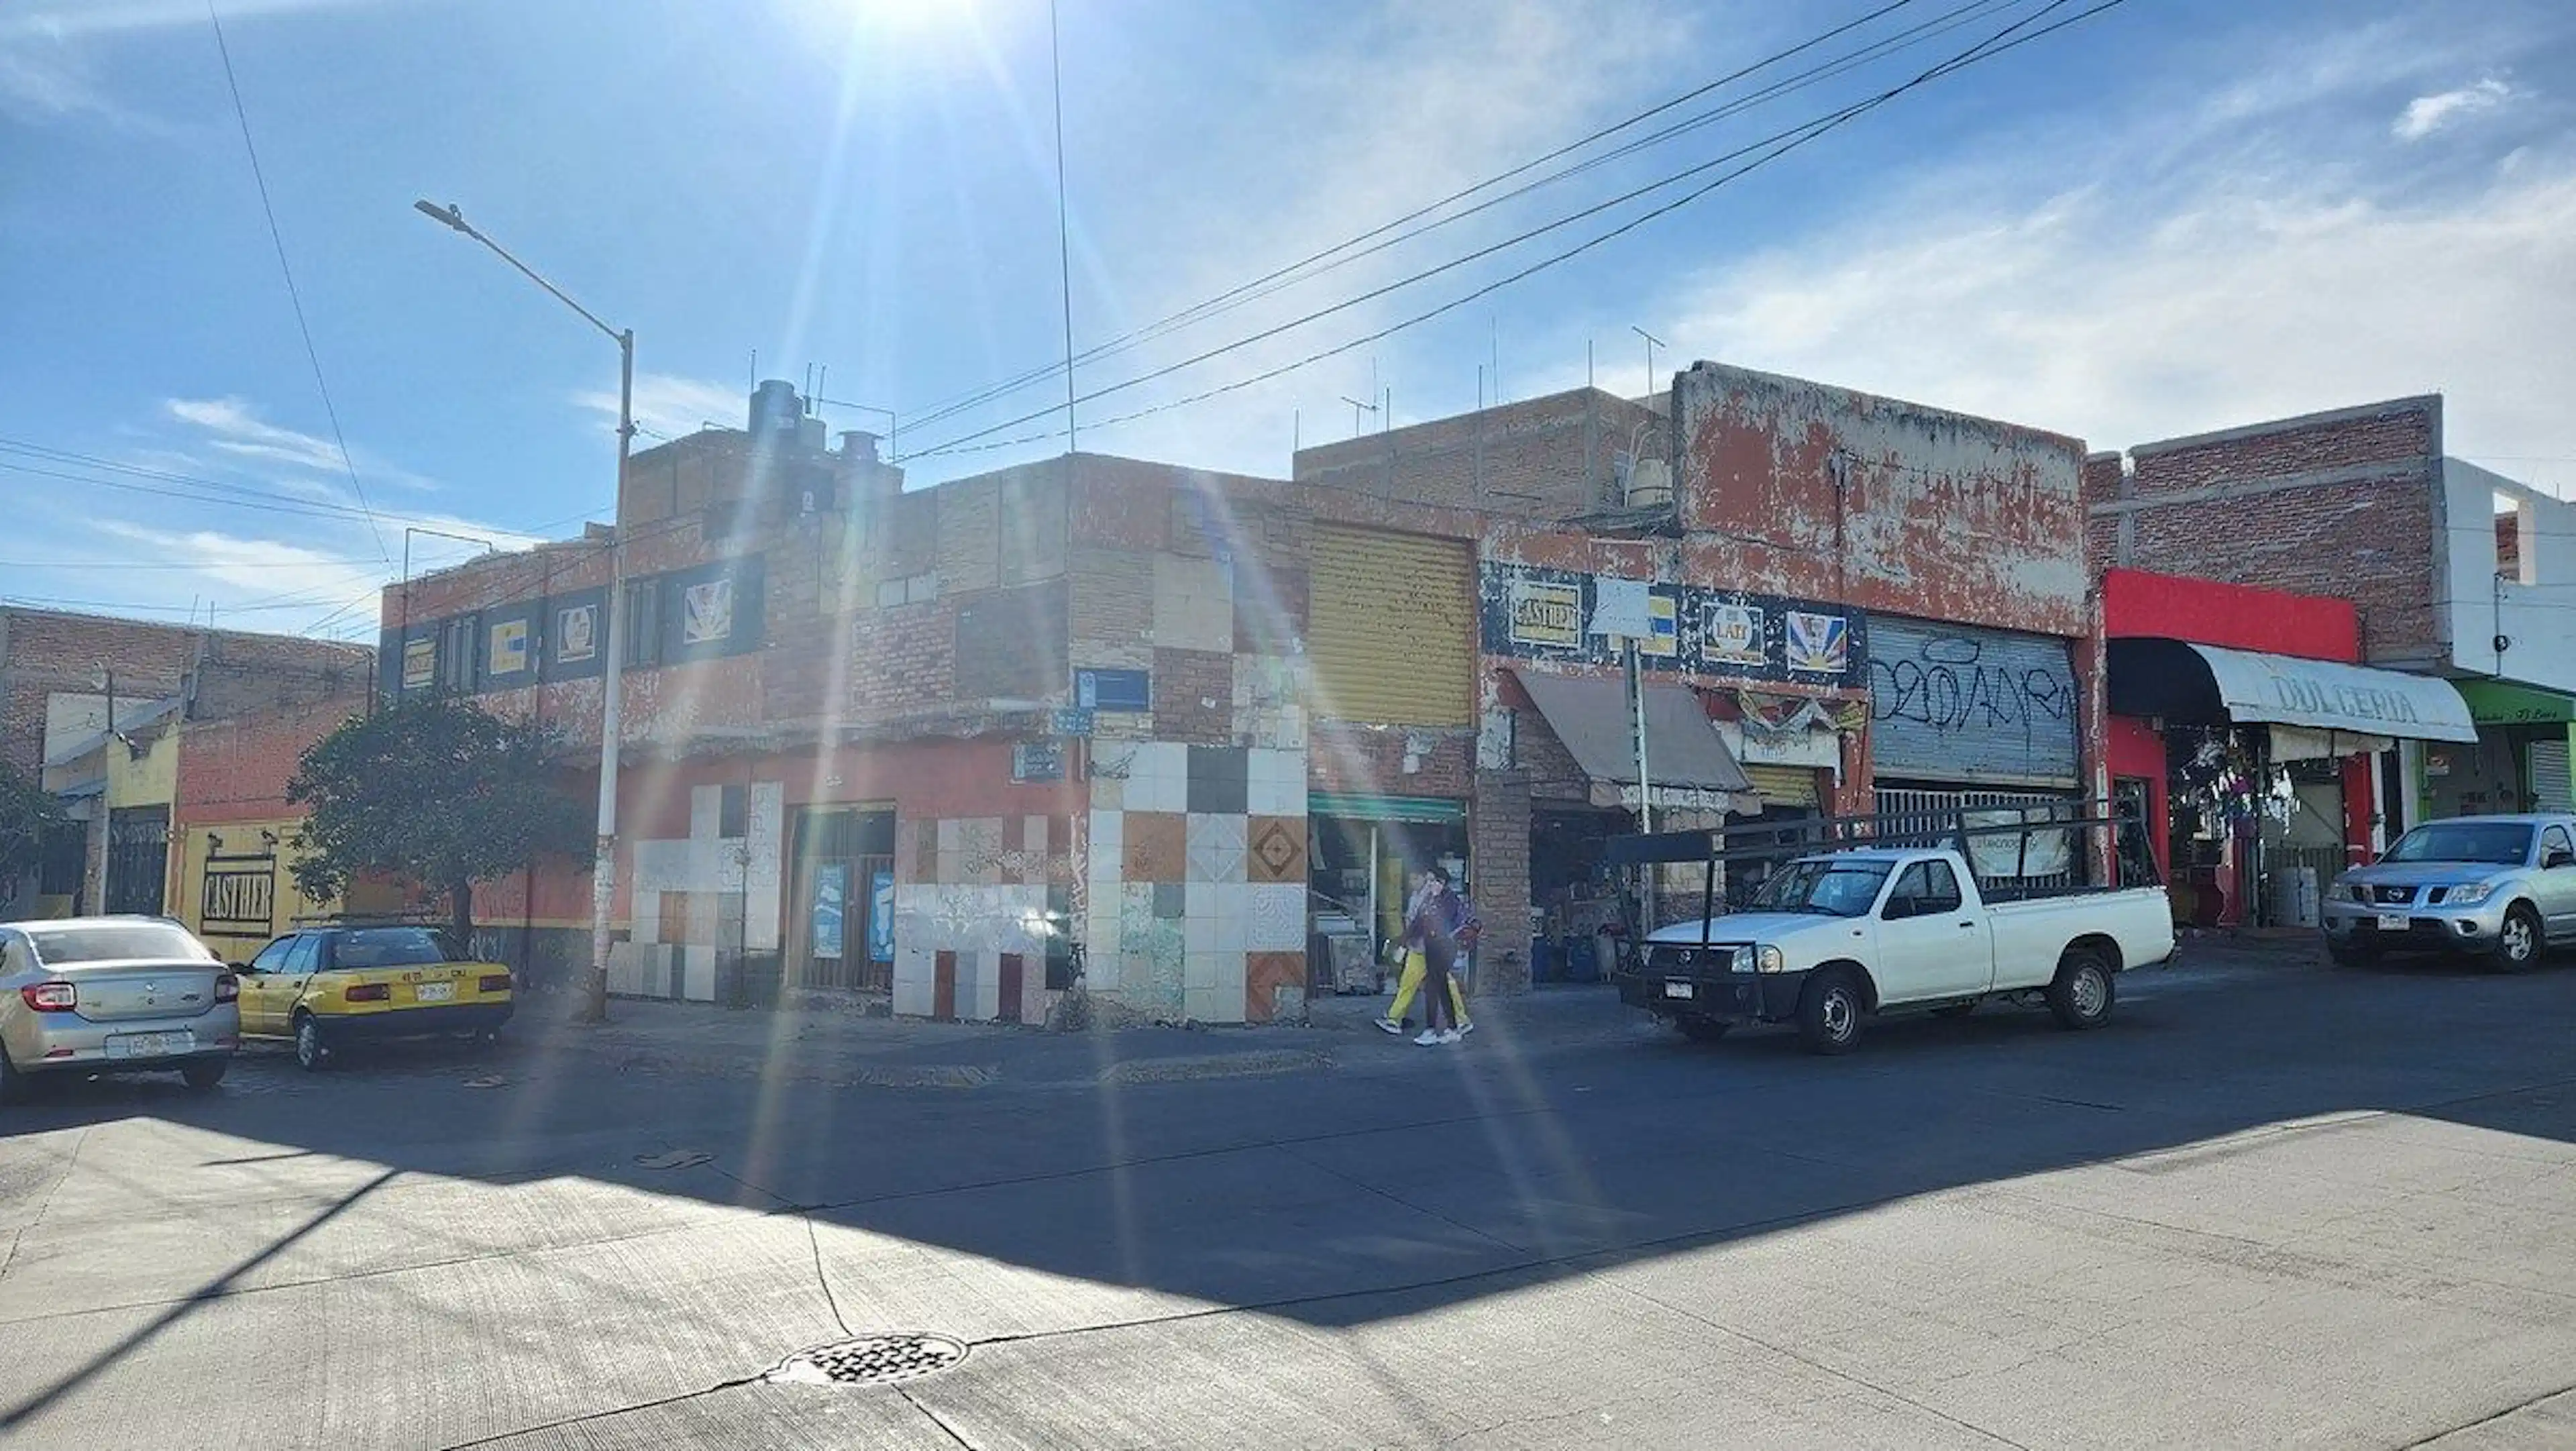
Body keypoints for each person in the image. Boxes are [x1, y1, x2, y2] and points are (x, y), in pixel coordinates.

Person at [1375, 864, 1472, 1041]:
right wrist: (1403, 940)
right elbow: (1418, 922)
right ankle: (1398, 1020)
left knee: (1438, 986)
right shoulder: (1421, 898)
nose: (1413, 883)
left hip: (1433, 950)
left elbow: (1437, 924)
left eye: (1426, 880)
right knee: (1418, 983)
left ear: (1440, 882)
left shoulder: (1445, 899)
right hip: (1420, 948)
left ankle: (1446, 1026)